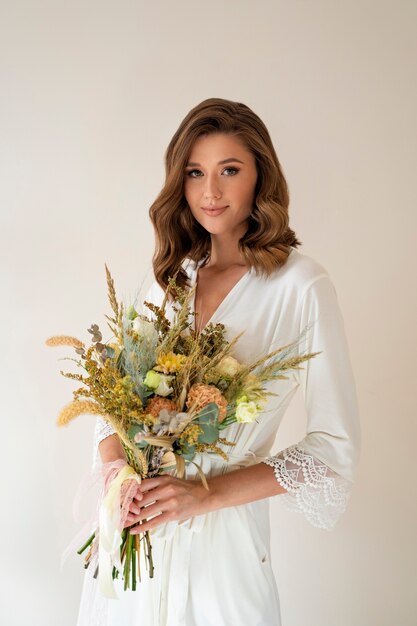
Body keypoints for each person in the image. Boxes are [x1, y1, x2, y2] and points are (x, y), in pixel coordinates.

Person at [76, 97, 361, 626]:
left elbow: (332, 449)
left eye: (230, 170)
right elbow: (108, 405)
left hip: (226, 552)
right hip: (140, 539)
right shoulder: (169, 280)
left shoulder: (301, 286)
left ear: (260, 176)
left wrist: (201, 495)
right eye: (195, 172)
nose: (210, 192)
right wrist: (119, 473)